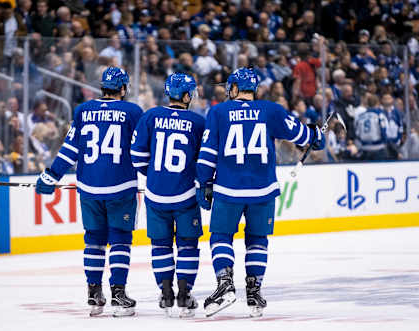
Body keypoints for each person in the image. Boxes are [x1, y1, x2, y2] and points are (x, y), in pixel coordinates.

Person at [196, 68, 325, 317]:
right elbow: (299, 134)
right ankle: (254, 292)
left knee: (221, 236)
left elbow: (207, 154)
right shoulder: (271, 110)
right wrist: (315, 134)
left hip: (228, 189)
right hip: (263, 190)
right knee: (257, 240)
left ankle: (225, 284)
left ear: (234, 89)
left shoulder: (219, 112)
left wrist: (204, 181)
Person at [35, 67, 143, 317]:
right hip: (121, 188)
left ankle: (94, 293)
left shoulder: (83, 110)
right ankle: (118, 294)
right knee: (120, 240)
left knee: (93, 240)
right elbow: (141, 150)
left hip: (89, 190)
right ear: (123, 89)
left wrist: (52, 174)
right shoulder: (132, 111)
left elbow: (71, 148)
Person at [130, 73, 205, 317]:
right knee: (187, 246)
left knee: (160, 245)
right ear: (186, 95)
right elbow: (204, 162)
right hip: (185, 196)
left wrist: (153, 175)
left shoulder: (150, 115)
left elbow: (138, 157)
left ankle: (165, 292)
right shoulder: (197, 121)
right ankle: (184, 293)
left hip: (156, 195)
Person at [354, 94, 388, 160]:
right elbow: (384, 130)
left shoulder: (360, 116)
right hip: (378, 148)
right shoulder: (380, 115)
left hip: (365, 148)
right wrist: (384, 142)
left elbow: (357, 132)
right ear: (378, 103)